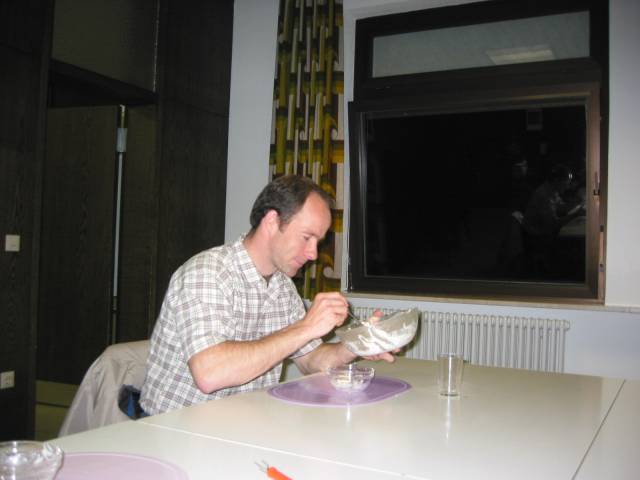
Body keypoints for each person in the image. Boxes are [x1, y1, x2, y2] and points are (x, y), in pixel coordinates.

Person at [140, 175, 394, 415]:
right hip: (173, 428)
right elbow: (210, 374)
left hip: (240, 426)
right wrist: (306, 327)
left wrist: (357, 344)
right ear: (272, 221)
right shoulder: (207, 273)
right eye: (307, 237)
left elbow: (312, 361)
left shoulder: (283, 287)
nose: (313, 254)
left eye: (317, 242)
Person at [521, 164, 585, 276]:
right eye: (566, 183)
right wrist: (575, 215)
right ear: (557, 180)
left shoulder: (551, 190)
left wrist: (577, 202)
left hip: (542, 230)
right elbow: (553, 224)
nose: (568, 186)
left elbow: (561, 208)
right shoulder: (544, 195)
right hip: (536, 236)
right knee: (575, 244)